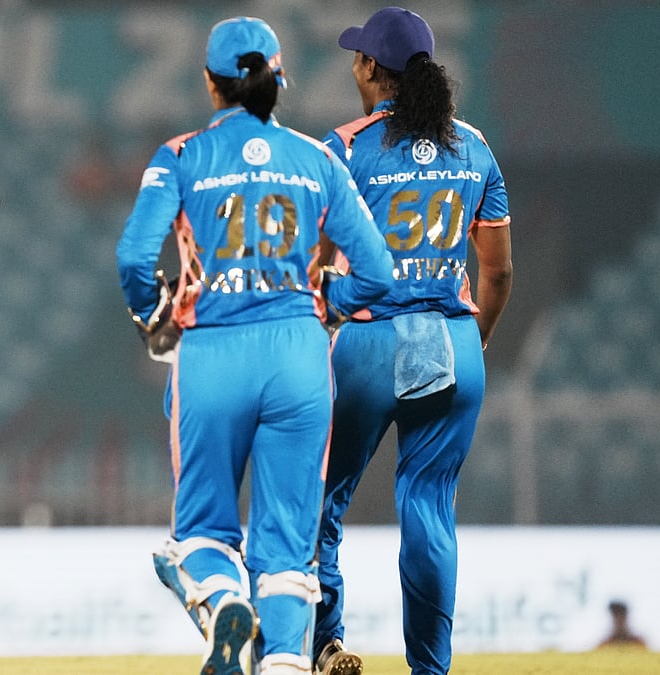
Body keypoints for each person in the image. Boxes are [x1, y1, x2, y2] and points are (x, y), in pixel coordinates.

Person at [117, 17, 393, 675]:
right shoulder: (318, 159)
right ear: (281, 79)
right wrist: (330, 304)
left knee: (202, 531)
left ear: (210, 84)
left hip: (212, 351)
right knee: (289, 541)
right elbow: (379, 273)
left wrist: (154, 313)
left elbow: (133, 256)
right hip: (299, 355)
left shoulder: (181, 156)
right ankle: (284, 664)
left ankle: (220, 604)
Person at [312, 8, 513, 675]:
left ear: (371, 67)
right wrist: (473, 338)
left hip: (369, 342)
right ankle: (431, 669)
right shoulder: (473, 146)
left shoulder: (342, 147)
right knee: (429, 508)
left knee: (318, 503)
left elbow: (313, 266)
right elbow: (498, 270)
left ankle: (324, 643)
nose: (352, 66)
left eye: (356, 57)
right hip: (450, 341)